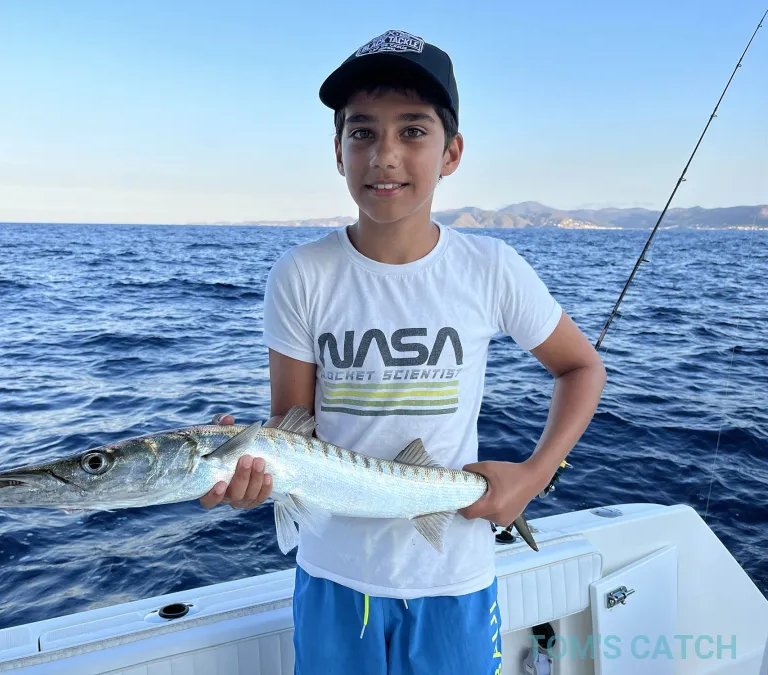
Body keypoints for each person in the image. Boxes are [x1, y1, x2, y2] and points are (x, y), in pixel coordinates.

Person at [200, 29, 606, 675]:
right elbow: (292, 426)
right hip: (333, 571)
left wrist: (534, 474)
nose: (384, 154)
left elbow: (581, 367)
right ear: (338, 152)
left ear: (451, 152)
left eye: (413, 131)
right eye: (362, 132)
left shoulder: (491, 267)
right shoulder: (302, 273)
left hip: (454, 573)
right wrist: (253, 464)